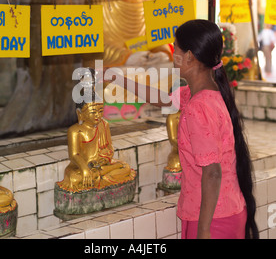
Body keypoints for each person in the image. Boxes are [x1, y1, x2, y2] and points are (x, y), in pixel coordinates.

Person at [106, 19, 259, 239]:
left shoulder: (198, 107)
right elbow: (163, 99)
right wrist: (117, 78)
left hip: (213, 220)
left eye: (175, 47)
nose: (172, 53)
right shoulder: (203, 92)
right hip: (221, 212)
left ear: (189, 56)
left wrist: (204, 230)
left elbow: (213, 173)